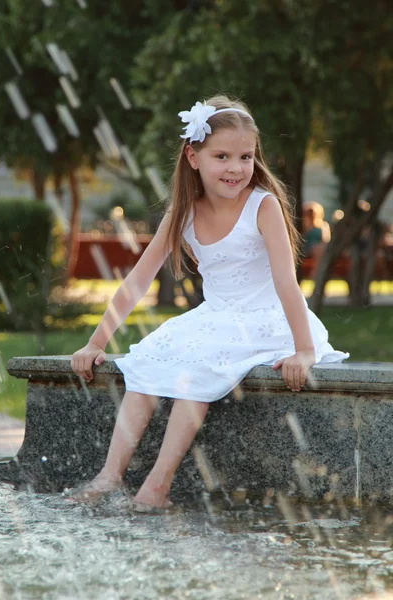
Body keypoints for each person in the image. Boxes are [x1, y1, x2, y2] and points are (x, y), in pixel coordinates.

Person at [69, 95, 349, 509]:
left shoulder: (263, 206)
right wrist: (96, 342)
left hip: (266, 319)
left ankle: (157, 486)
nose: (236, 168)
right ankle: (110, 475)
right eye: (222, 156)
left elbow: (287, 284)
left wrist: (303, 350)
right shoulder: (181, 213)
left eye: (245, 156)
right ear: (193, 156)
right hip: (217, 317)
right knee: (147, 359)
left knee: (196, 370)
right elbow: (136, 282)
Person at [302, 201, 331, 278]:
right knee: (319, 249)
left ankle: (316, 272)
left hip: (320, 248)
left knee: (321, 248)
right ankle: (315, 273)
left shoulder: (323, 226)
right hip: (307, 248)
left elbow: (326, 239)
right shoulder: (303, 225)